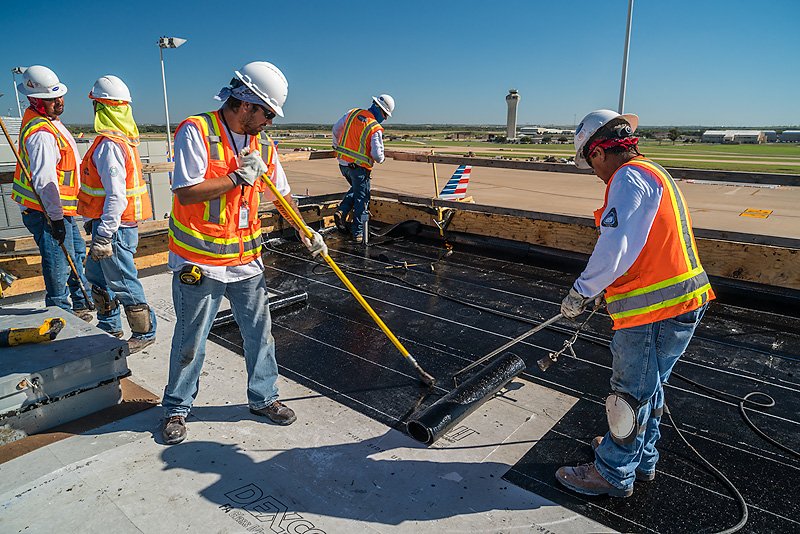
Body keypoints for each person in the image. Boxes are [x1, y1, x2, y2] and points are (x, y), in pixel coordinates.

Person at [161, 61, 328, 445]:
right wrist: (236, 177)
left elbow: (282, 193)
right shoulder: (197, 131)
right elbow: (186, 191)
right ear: (246, 104)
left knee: (261, 335)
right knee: (191, 340)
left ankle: (264, 398)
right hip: (200, 260)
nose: (269, 121)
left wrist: (306, 231)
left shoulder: (262, 143)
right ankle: (176, 409)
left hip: (246, 261)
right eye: (266, 113)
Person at [555, 109, 715, 498]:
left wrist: (582, 291)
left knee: (628, 394)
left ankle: (611, 473)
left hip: (653, 313)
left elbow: (616, 247)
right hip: (681, 304)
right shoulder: (655, 173)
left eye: (590, 163)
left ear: (597, 153)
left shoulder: (626, 179)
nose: (595, 174)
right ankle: (641, 460)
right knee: (651, 389)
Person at [77, 75, 157, 353]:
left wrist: (104, 235)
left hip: (113, 228)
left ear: (101, 108)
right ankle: (110, 323)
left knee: (122, 279)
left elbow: (116, 195)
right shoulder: (120, 141)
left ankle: (144, 332)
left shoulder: (110, 145)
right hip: (110, 225)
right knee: (96, 276)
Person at [11, 65, 93, 319]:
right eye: (50, 99)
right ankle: (61, 313)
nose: (58, 102)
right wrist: (56, 219)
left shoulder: (50, 122)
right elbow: (45, 180)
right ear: (35, 100)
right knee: (58, 264)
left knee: (76, 255)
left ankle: (80, 304)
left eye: (59, 96)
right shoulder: (42, 134)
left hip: (60, 210)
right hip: (46, 211)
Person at [331, 94, 395, 243]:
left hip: (343, 165)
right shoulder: (374, 127)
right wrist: (383, 158)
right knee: (362, 198)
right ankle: (358, 233)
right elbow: (378, 156)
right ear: (379, 109)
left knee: (356, 190)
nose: (385, 118)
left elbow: (335, 129)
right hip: (359, 169)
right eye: (385, 114)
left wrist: (336, 146)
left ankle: (342, 211)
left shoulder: (352, 113)